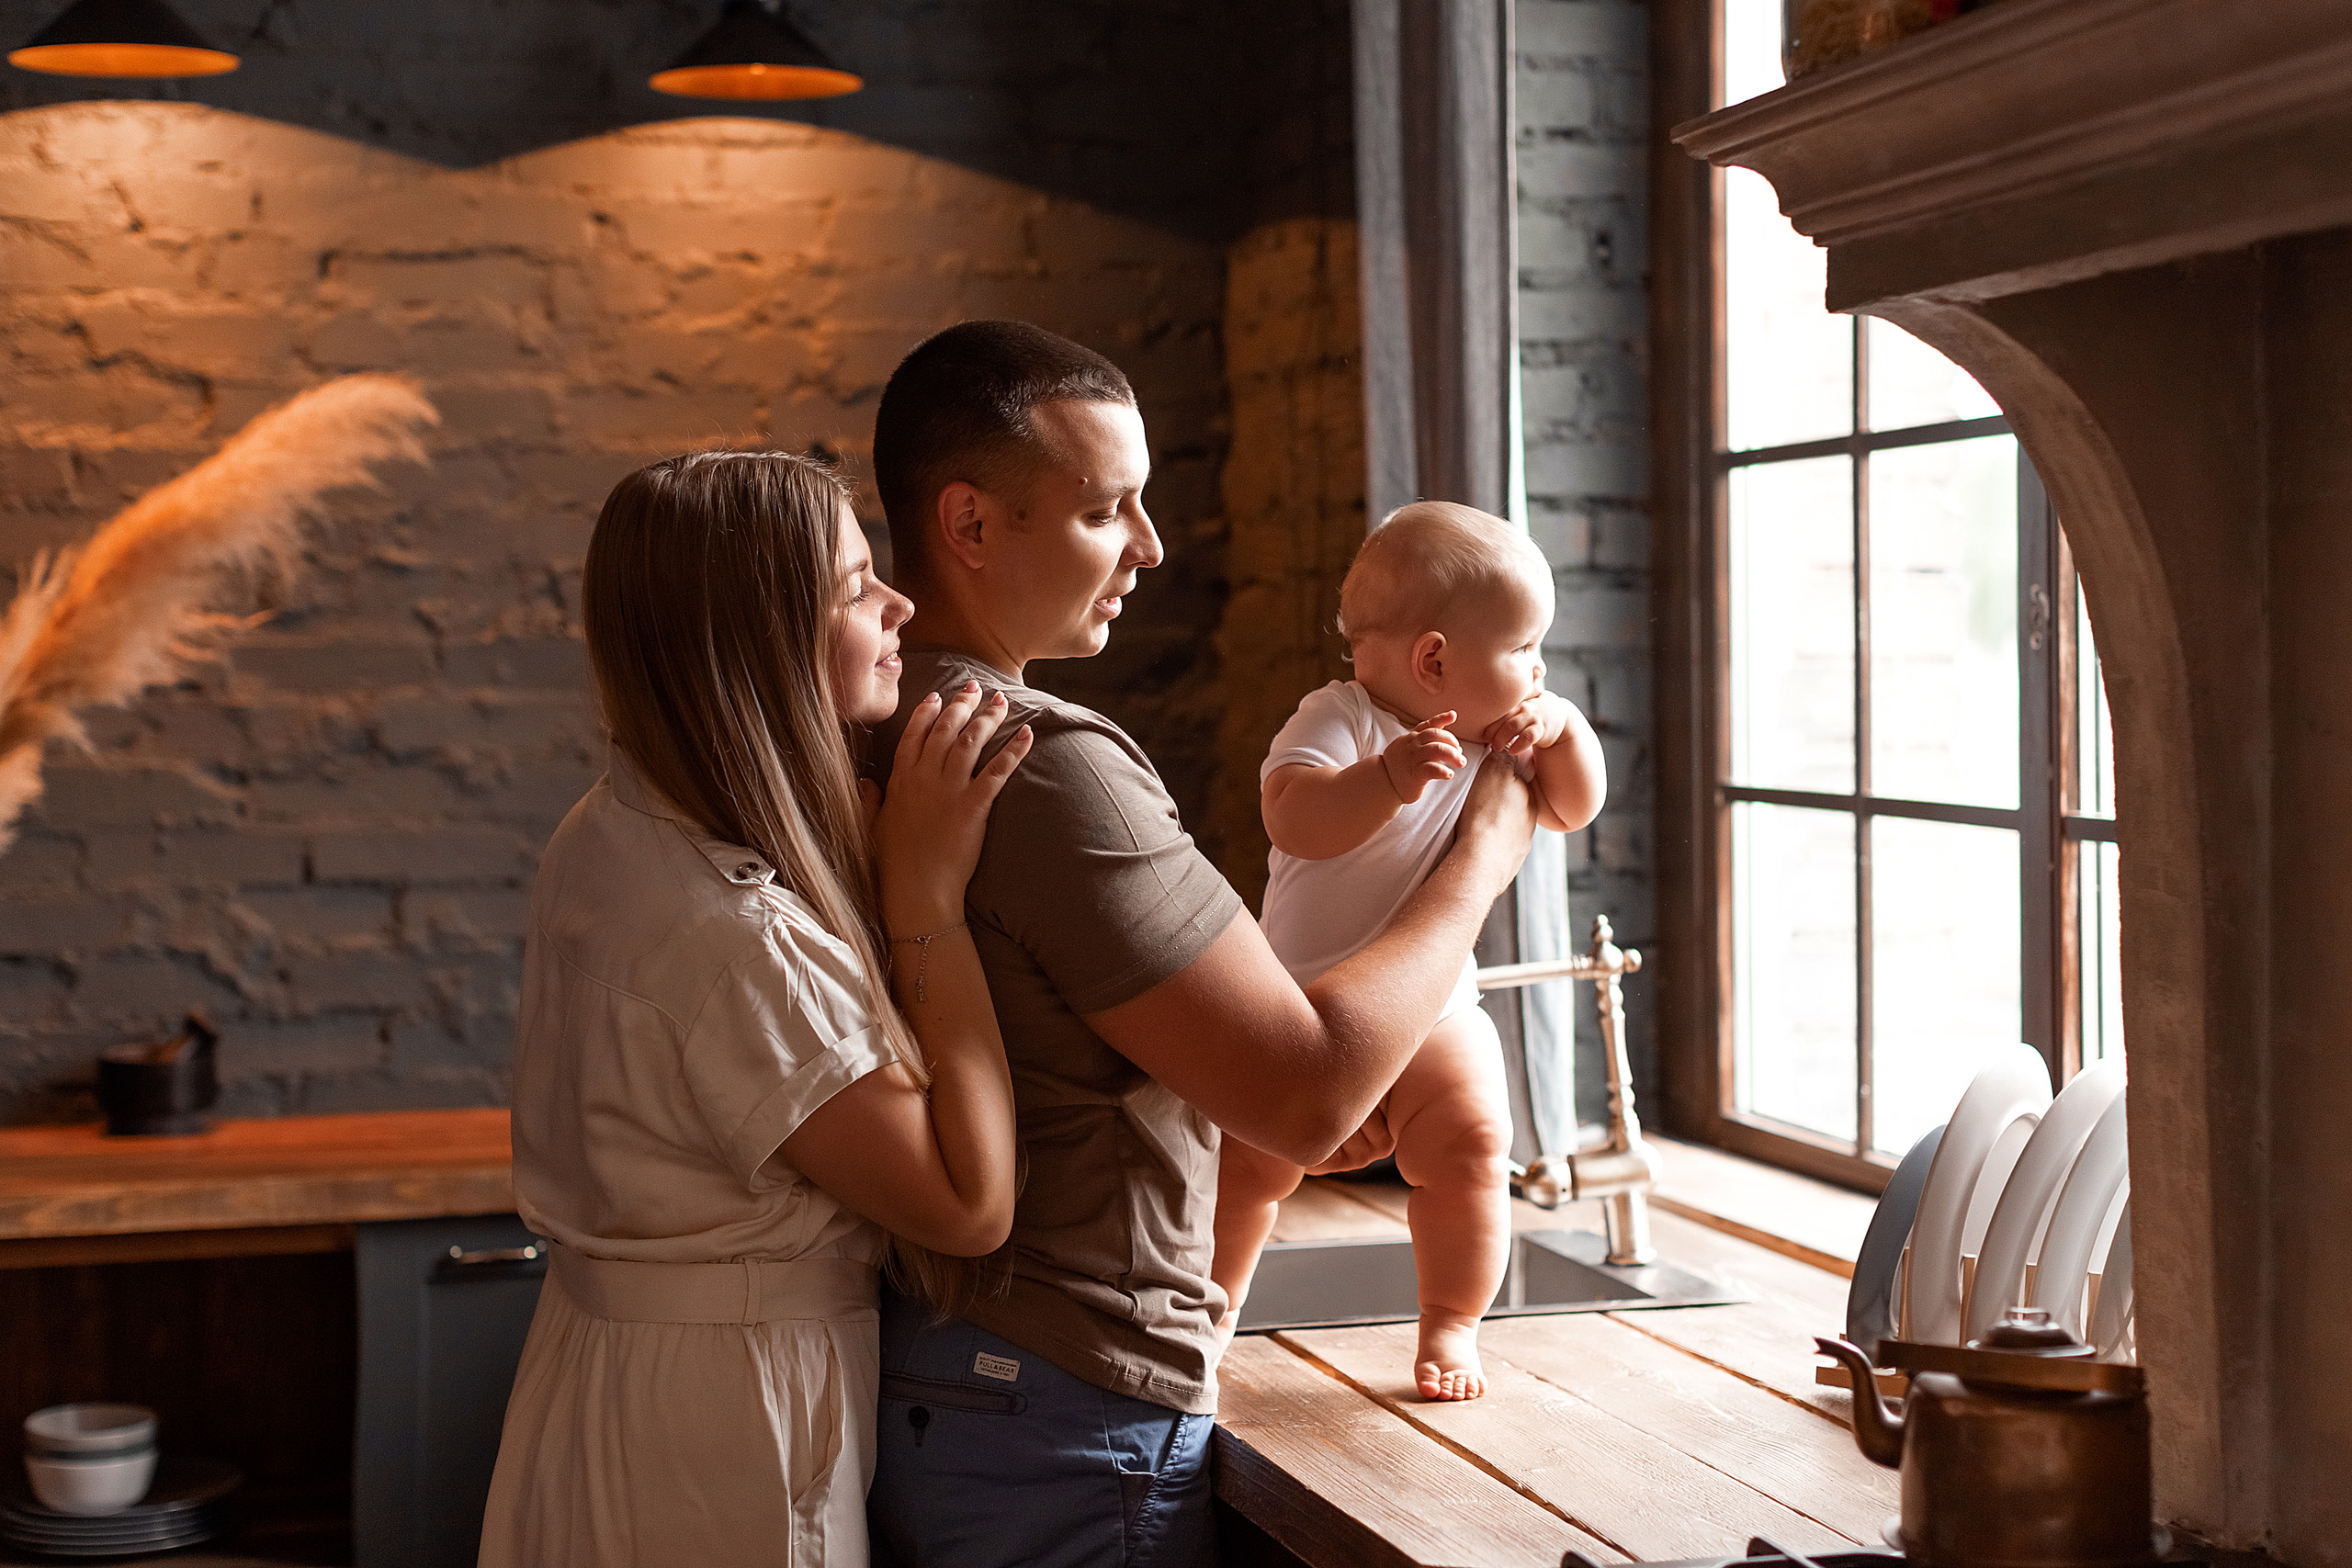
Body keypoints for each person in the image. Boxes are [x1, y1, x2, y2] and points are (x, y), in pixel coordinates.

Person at [861, 321, 1539, 1568]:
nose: (1151, 544)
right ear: (970, 523)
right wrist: (1487, 849)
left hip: (952, 1359)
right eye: (1105, 508)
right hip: (1064, 1399)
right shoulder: (1041, 767)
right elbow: (1306, 1097)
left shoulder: (883, 716)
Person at [479, 450, 1034, 1568]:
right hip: (724, 1425)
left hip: (600, 1380)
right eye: (857, 586)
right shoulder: (739, 939)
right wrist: (927, 903)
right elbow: (969, 1205)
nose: (900, 605)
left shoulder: (615, 822)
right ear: (762, 638)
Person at [1210, 501, 1608, 1402]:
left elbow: (1574, 806)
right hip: (1299, 1001)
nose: (1539, 669)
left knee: (1475, 1142)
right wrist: (1384, 779)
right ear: (1434, 661)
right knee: (1246, 1168)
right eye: (1524, 648)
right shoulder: (1341, 717)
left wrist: (1566, 730)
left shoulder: (1502, 740)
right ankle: (1212, 1307)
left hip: (1436, 1008)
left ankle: (1452, 1322)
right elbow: (1292, 816)